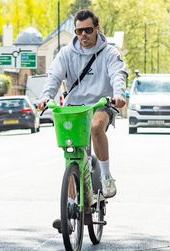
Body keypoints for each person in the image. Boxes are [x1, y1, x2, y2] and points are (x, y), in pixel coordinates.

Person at [38, 9, 128, 199]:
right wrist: (46, 97)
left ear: (97, 28)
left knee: (96, 127)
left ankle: (105, 176)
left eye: (87, 30)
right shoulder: (66, 53)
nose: (83, 35)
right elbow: (54, 76)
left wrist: (118, 94)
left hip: (101, 104)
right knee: (72, 152)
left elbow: (117, 74)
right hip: (75, 108)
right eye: (79, 31)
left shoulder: (109, 52)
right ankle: (71, 203)